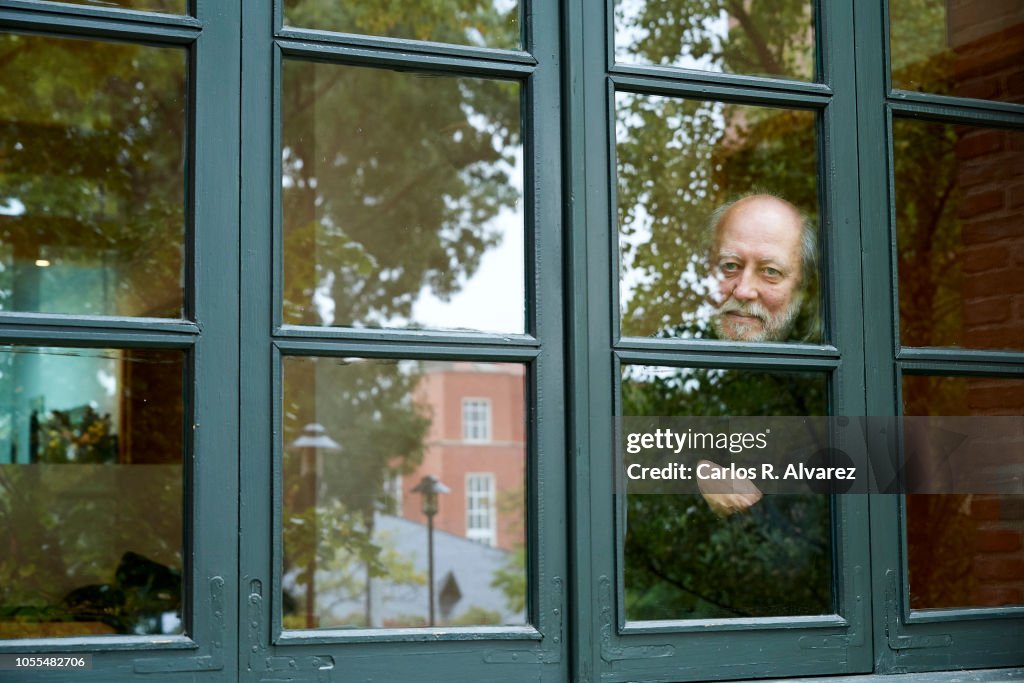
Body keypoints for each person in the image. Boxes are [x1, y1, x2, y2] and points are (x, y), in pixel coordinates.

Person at [707, 193, 818, 344]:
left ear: (803, 286)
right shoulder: (667, 352)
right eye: (730, 266)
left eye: (771, 271)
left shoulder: (827, 362)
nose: (742, 291)